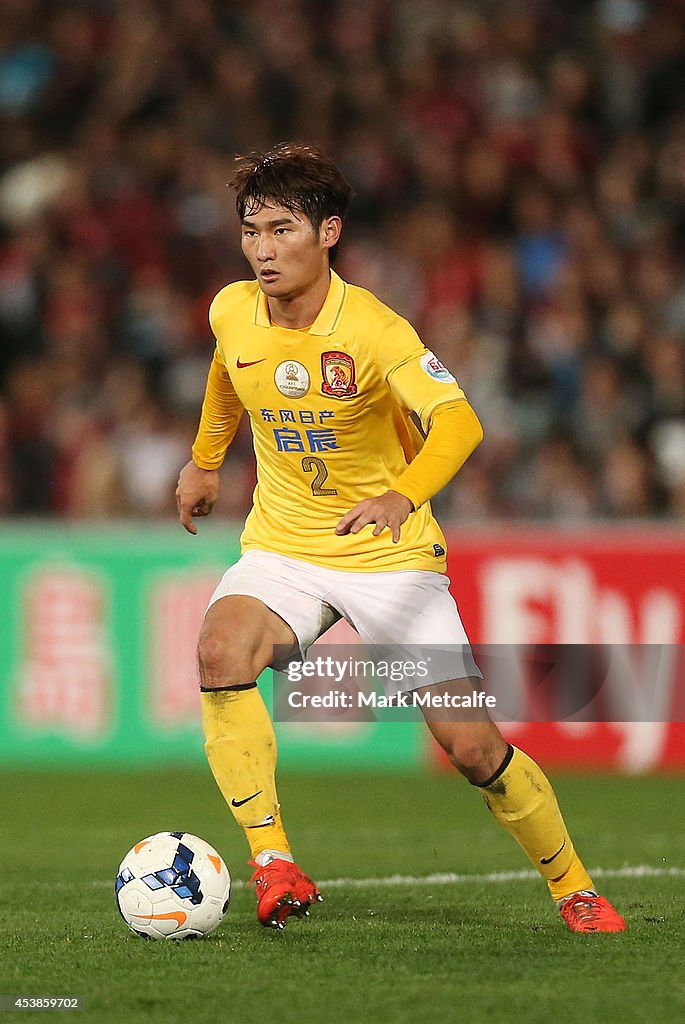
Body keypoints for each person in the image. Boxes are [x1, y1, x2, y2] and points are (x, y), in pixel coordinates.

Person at [175, 142, 625, 934]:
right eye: (250, 231)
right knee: (220, 651)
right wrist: (204, 463)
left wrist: (402, 493)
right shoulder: (231, 308)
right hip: (285, 546)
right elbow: (226, 374)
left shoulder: (377, 331)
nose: (262, 249)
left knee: (472, 748)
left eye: (282, 229)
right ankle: (273, 861)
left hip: (389, 558)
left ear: (329, 233)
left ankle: (574, 887)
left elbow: (458, 420)